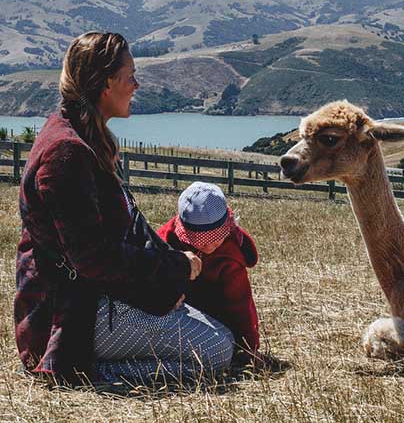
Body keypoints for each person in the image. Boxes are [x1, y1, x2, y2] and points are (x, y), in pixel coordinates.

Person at [15, 32, 233, 386]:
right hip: (71, 317)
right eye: (130, 75)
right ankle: (81, 372)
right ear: (105, 83)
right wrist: (174, 267)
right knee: (217, 350)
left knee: (217, 332)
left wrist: (169, 273)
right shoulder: (65, 154)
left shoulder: (82, 139)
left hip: (96, 298)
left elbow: (121, 234)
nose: (137, 84)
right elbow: (92, 258)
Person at [157, 182, 262, 366]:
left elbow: (241, 305)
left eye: (215, 239)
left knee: (225, 343)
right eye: (200, 241)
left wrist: (249, 346)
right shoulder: (168, 240)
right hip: (178, 313)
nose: (208, 246)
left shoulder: (230, 257)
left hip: (218, 320)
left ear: (227, 228)